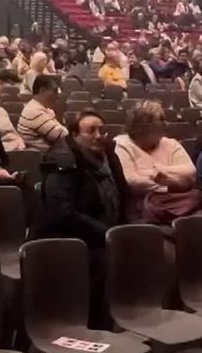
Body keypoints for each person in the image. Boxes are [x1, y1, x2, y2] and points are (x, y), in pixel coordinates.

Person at [36, 111, 125, 327]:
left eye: (101, 130)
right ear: (75, 135)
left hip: (102, 233)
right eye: (91, 131)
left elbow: (124, 192)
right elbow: (63, 213)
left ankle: (125, 319)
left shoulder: (108, 155)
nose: (99, 135)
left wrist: (125, 230)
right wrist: (107, 233)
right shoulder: (62, 160)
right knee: (102, 262)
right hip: (67, 237)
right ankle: (95, 326)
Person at [113, 100, 199, 223]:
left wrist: (160, 171)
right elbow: (132, 181)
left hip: (180, 204)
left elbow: (190, 171)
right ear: (144, 125)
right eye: (161, 119)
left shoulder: (171, 144)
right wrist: (173, 184)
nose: (166, 124)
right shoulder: (122, 144)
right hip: (141, 209)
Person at [18, 74, 68, 152]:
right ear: (42, 90)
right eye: (55, 91)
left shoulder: (42, 108)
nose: (58, 95)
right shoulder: (34, 111)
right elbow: (60, 135)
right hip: (41, 155)